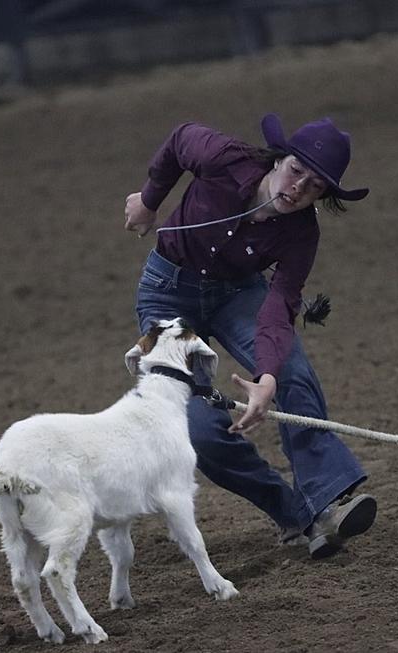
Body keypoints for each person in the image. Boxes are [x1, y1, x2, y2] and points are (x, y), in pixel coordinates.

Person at [123, 114, 377, 559]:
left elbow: (279, 308)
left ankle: (327, 503)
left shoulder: (301, 233)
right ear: (279, 160)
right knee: (197, 428)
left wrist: (267, 377)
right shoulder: (223, 157)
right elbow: (179, 138)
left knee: (293, 376)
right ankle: (293, 512)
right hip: (167, 296)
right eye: (297, 171)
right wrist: (149, 200)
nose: (299, 189)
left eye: (315, 186)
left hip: (239, 293)